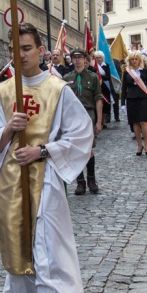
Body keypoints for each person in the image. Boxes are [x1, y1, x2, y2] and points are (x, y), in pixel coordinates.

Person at [0, 22, 93, 293]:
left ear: (41, 50)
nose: (21, 54)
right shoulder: (3, 92)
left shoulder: (59, 90)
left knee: (46, 260)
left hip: (46, 187)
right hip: (11, 185)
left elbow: (81, 134)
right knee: (18, 258)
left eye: (27, 48)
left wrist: (43, 150)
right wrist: (8, 130)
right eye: (16, 49)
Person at [62, 49, 103, 195]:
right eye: (75, 58)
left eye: (80, 57)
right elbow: (63, 101)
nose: (77, 60)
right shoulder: (67, 78)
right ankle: (80, 182)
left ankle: (92, 180)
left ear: (85, 59)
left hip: (87, 114)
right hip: (72, 116)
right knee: (74, 149)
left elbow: (98, 99)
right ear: (72, 60)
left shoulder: (92, 77)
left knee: (88, 148)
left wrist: (99, 121)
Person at [123, 51, 147, 156]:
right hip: (131, 99)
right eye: (132, 59)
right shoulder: (127, 72)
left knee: (143, 121)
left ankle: (146, 145)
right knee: (135, 122)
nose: (134, 61)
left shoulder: (145, 71)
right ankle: (139, 145)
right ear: (129, 61)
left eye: (136, 59)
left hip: (143, 98)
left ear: (139, 60)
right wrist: (122, 103)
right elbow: (124, 88)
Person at [93, 50, 113, 128]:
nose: (98, 59)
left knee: (106, 104)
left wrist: (100, 77)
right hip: (97, 86)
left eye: (100, 57)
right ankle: (98, 120)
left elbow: (108, 76)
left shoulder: (106, 65)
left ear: (102, 58)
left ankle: (103, 120)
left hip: (105, 86)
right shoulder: (94, 66)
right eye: (97, 58)